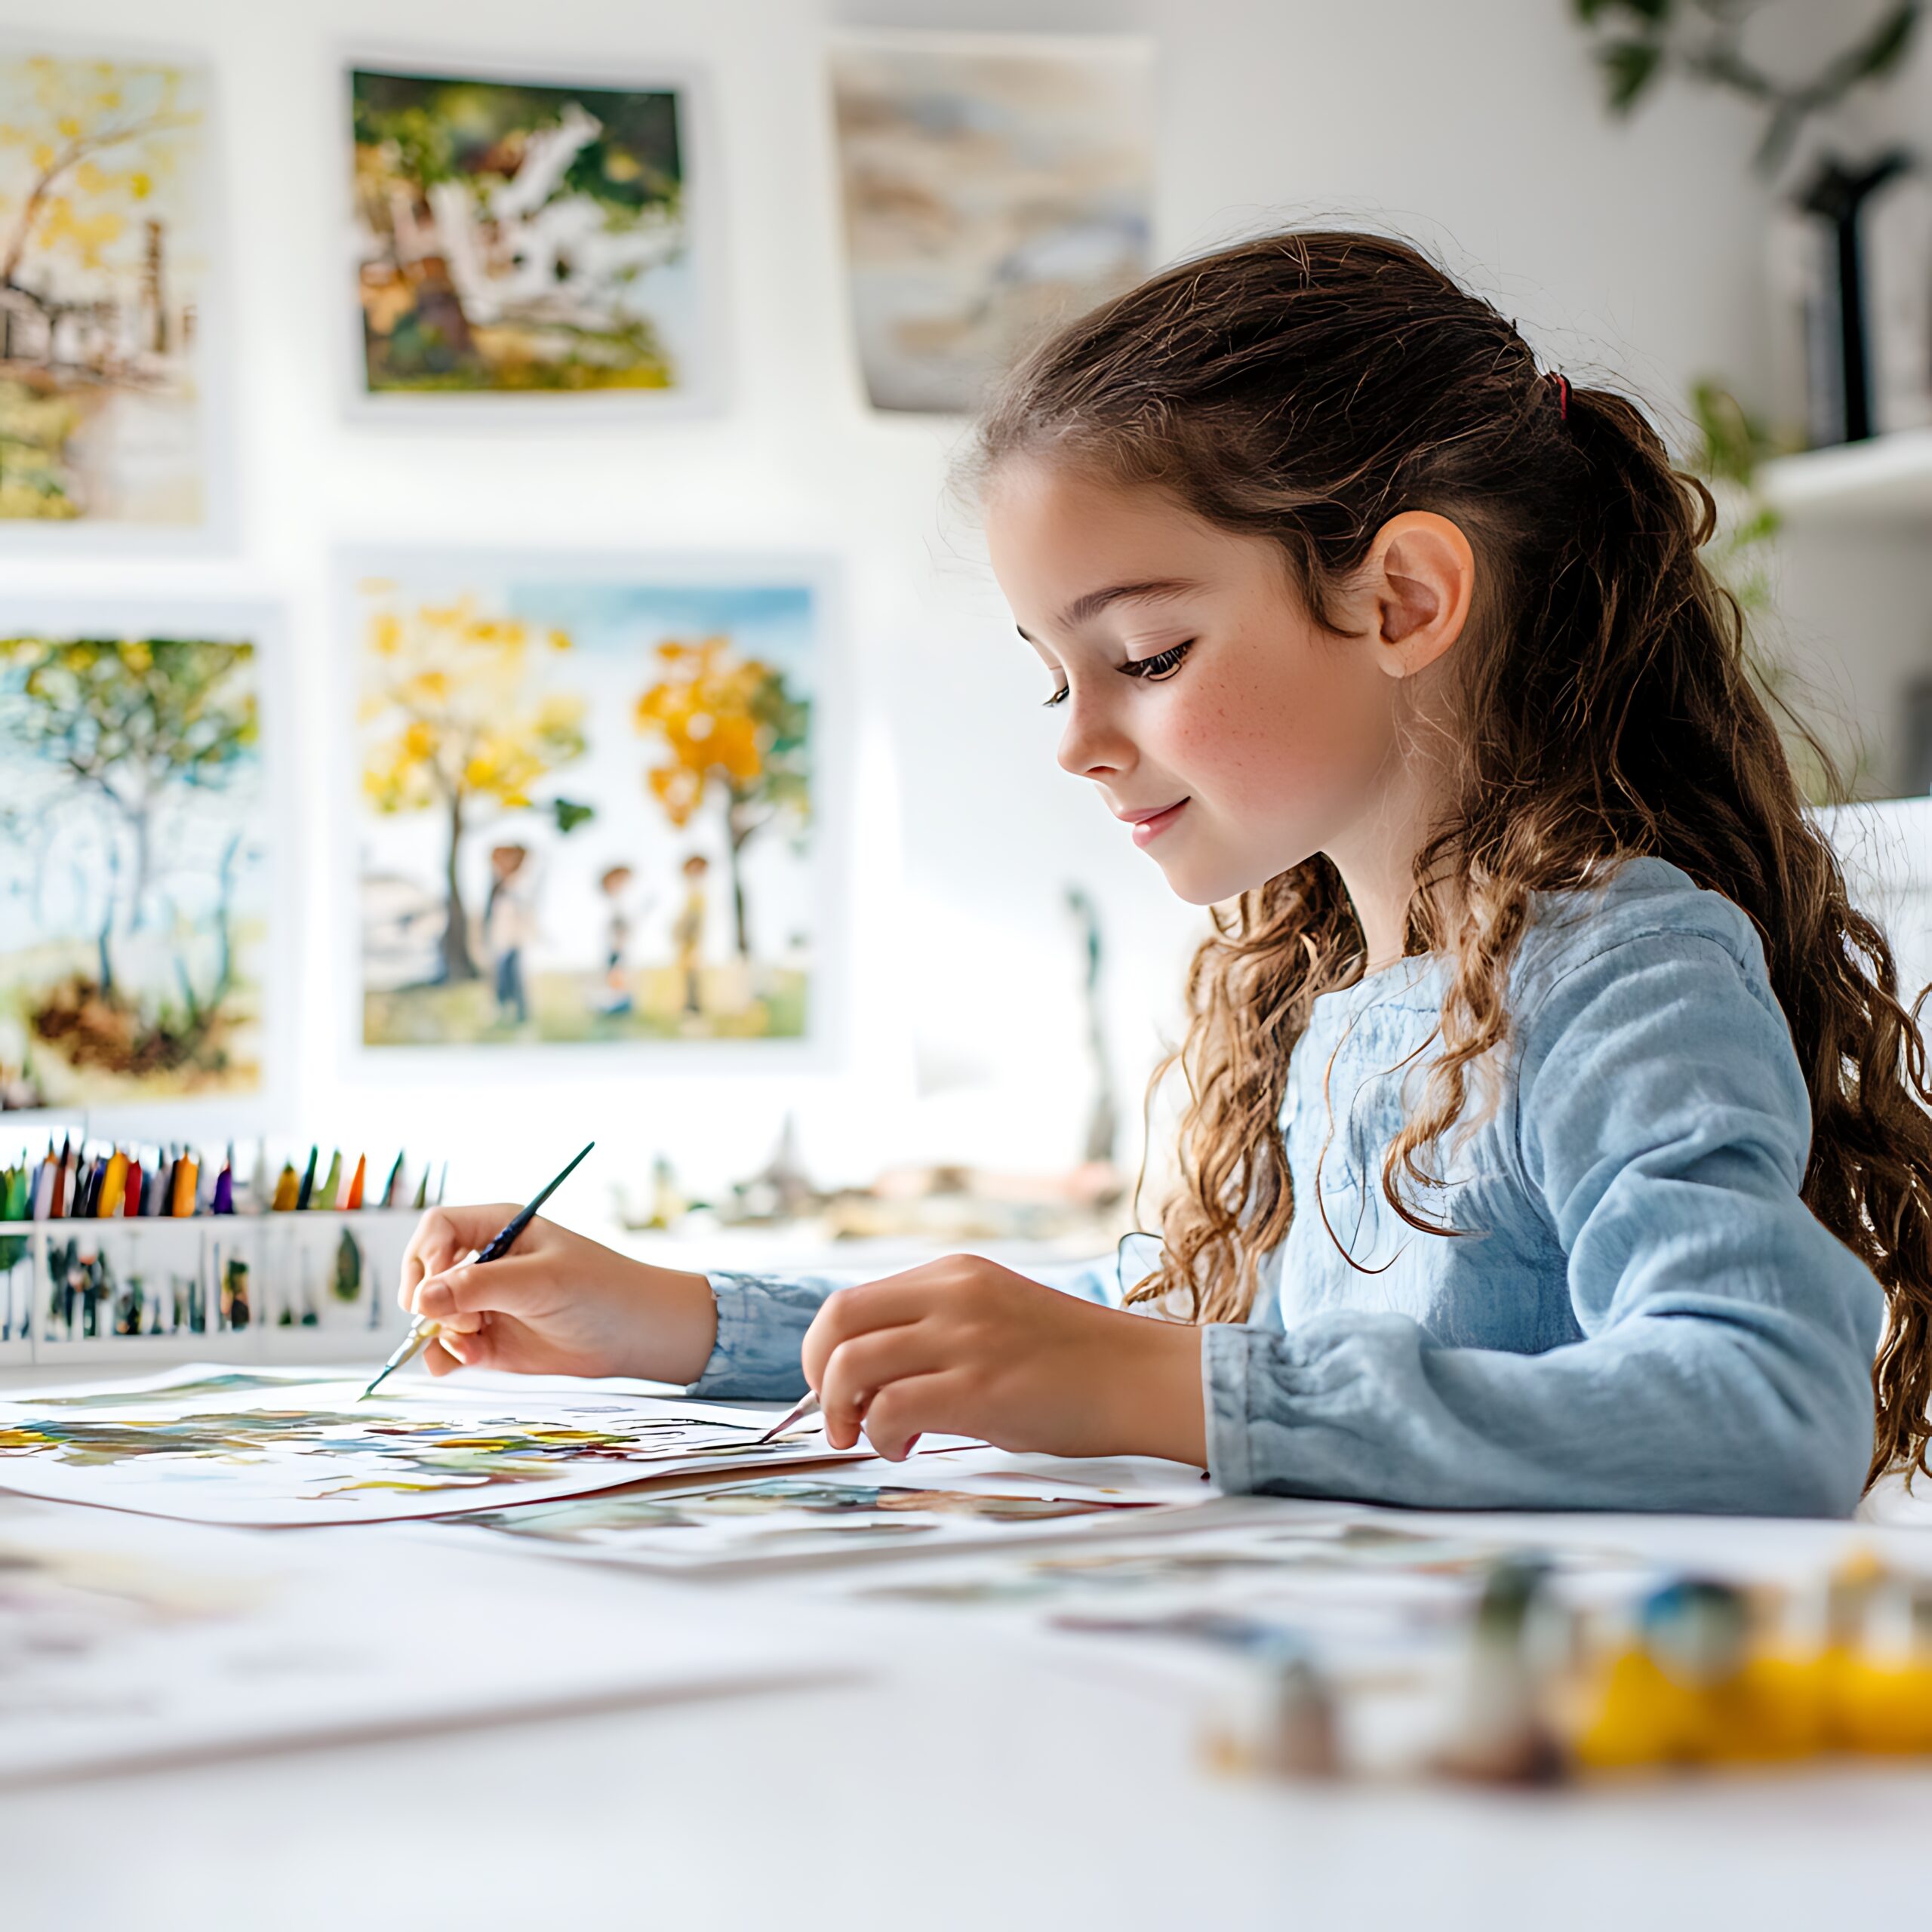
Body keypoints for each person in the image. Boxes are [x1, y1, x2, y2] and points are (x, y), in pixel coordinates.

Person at [395, 230, 1932, 1517]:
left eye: (1142, 654)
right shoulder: (1321, 991)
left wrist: (1167, 1385)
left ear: (1400, 595)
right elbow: (1134, 1322)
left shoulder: (1615, 966)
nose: (1079, 742)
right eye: (1055, 677)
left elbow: (1762, 1400)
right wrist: (674, 1318)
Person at [484, 844, 535, 1027]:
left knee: (515, 980)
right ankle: (504, 1015)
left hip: (514, 941)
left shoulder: (518, 889)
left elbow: (523, 916)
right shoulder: (499, 889)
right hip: (501, 942)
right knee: (502, 981)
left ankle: (519, 1018)